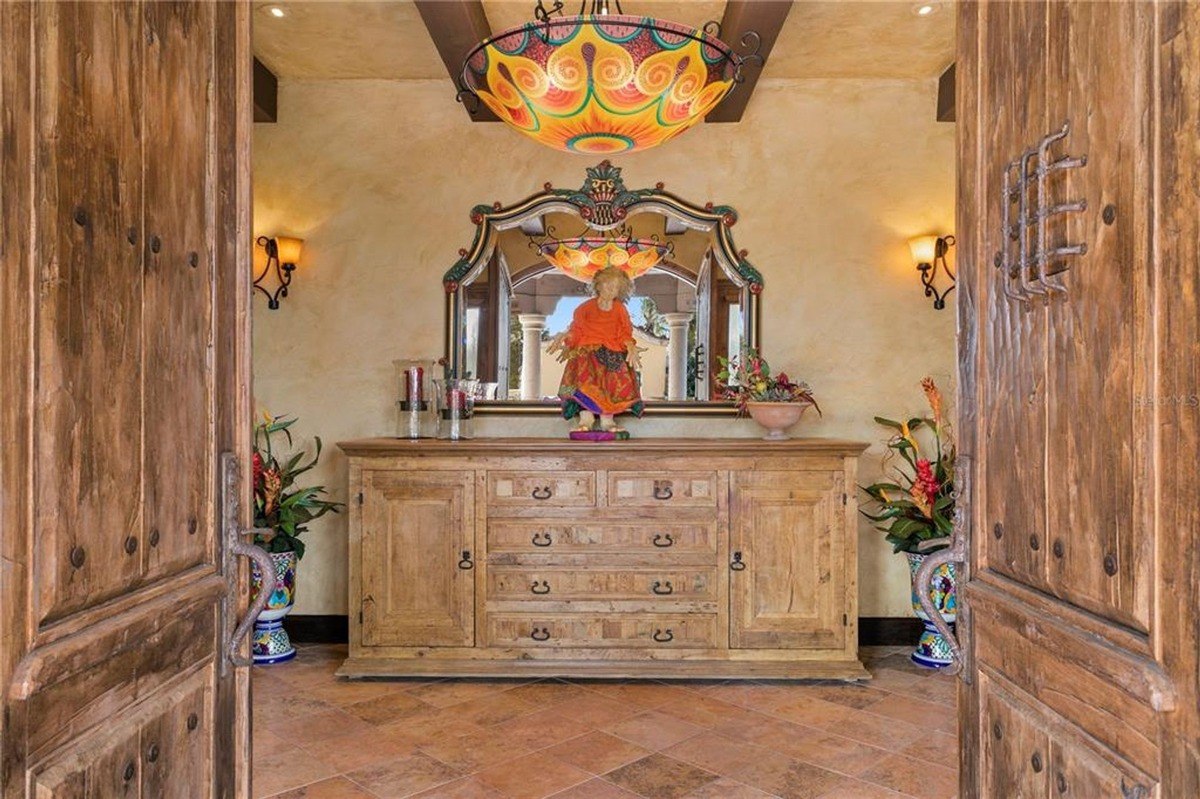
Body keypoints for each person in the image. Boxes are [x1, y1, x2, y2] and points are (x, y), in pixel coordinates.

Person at [547, 265, 645, 432]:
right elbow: (576, 331)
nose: (611, 290)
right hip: (586, 354)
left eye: (615, 287)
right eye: (608, 285)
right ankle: (586, 418)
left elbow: (625, 332)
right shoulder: (584, 308)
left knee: (611, 387)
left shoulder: (620, 309)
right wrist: (565, 336)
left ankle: (607, 419)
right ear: (598, 285)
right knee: (584, 384)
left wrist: (630, 345)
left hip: (612, 354)